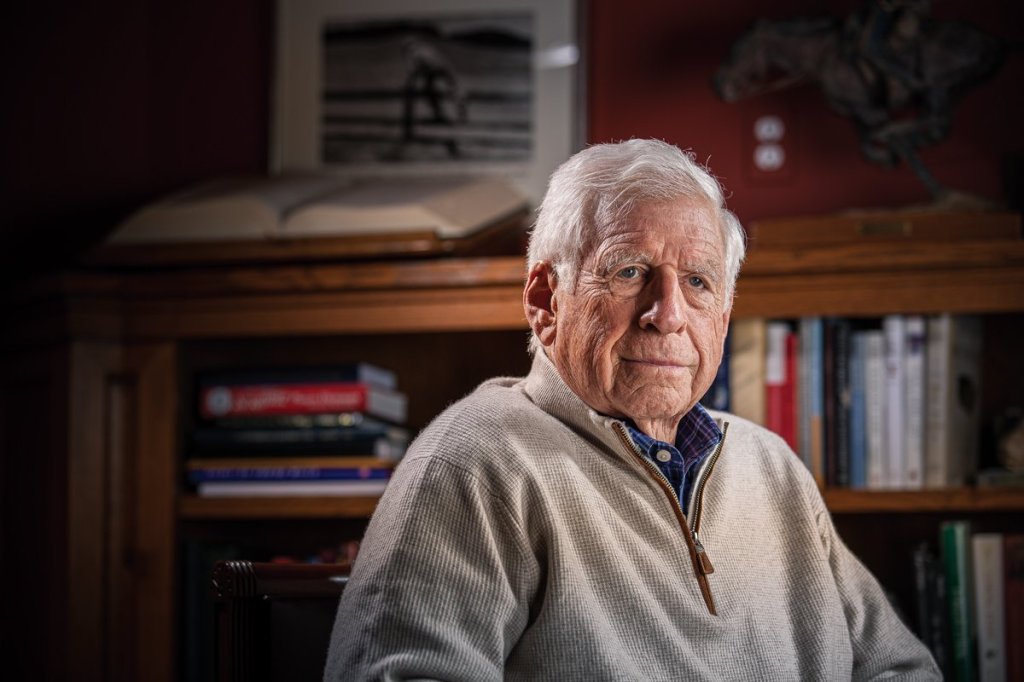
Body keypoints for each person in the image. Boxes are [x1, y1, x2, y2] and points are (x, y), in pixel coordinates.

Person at [323, 139, 940, 680]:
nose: (667, 314)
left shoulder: (771, 466)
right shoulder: (473, 463)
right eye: (630, 271)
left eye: (698, 282)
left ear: (724, 316)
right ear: (545, 300)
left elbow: (900, 668)